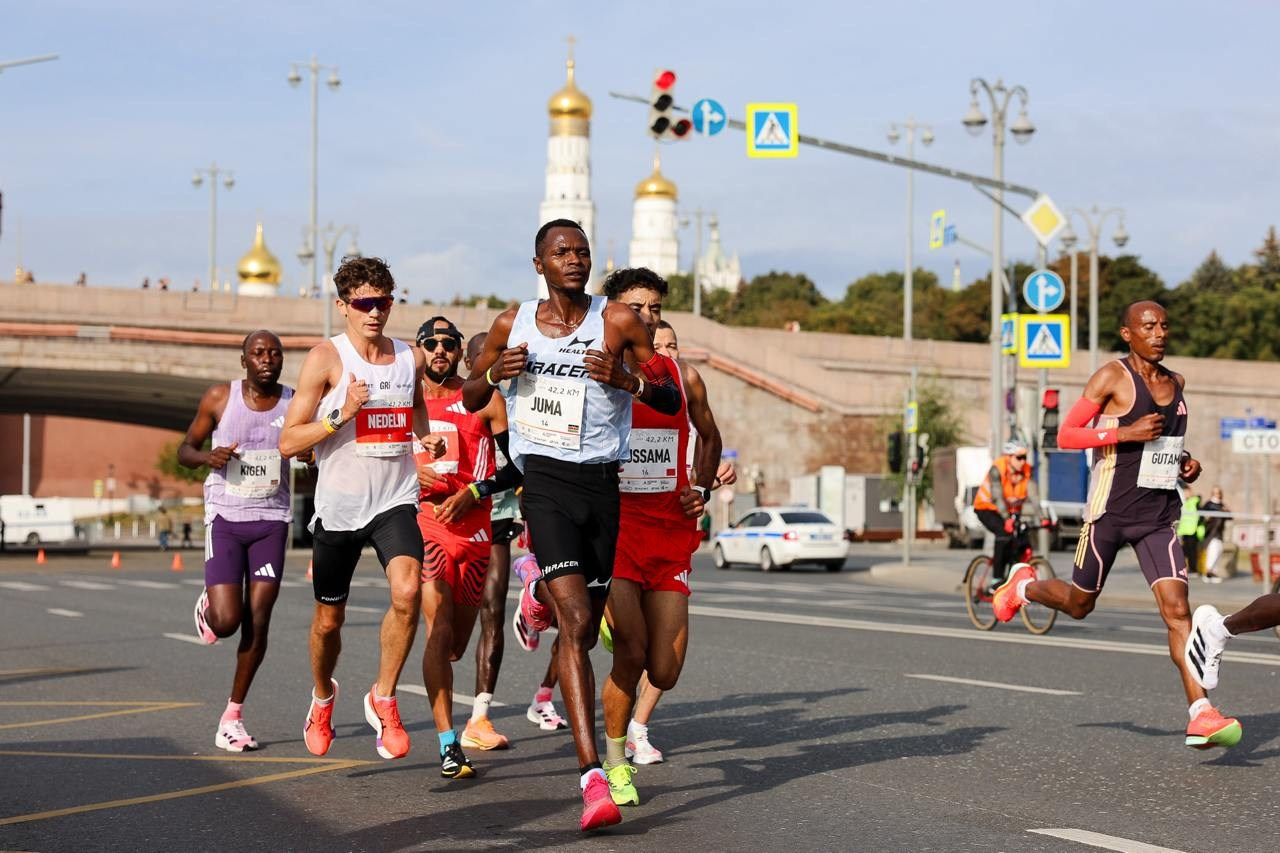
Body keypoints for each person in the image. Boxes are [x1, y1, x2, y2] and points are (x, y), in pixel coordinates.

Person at [462, 219, 682, 832]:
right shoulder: (513, 323)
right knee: (579, 622)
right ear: (539, 264)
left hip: (602, 487)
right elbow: (472, 396)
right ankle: (592, 777)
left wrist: (628, 381)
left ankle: (538, 594)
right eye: (561, 252)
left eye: (582, 251)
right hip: (546, 485)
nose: (575, 259)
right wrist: (495, 374)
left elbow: (668, 400)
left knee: (579, 638)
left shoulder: (618, 320)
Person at [992, 300, 1241, 749]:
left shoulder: (1176, 383)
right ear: (1128, 334)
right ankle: (1024, 586)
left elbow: (1164, 446)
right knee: (1079, 605)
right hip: (1108, 514)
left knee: (1178, 611)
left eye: (1164, 325)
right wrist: (1123, 432)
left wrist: (1185, 462)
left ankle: (1201, 713)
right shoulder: (1111, 377)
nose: (1159, 333)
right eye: (1148, 326)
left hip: (1157, 517)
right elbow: (1067, 435)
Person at [279, 256, 438, 761]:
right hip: (340, 507)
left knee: (408, 593)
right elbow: (288, 442)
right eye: (364, 303)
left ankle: (383, 697)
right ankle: (322, 697)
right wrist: (341, 415)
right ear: (343, 306)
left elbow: (414, 406)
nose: (374, 312)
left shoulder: (410, 357)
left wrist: (424, 437)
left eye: (383, 302)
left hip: (394, 499)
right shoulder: (326, 358)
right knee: (329, 622)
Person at [595, 290, 730, 797]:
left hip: (670, 535)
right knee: (631, 654)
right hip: (617, 531)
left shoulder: (682, 377)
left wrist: (701, 488)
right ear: (613, 312)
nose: (647, 316)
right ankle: (615, 763)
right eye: (637, 307)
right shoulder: (595, 370)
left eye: (655, 308)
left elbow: (710, 437)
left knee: (665, 671)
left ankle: (614, 621)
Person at [179, 330, 293, 752]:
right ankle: (210, 606)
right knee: (227, 622)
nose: (267, 359)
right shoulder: (219, 398)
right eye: (258, 353)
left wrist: (307, 454)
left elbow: (311, 446)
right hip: (226, 517)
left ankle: (233, 716)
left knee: (258, 619)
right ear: (244, 360)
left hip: (272, 520)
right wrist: (207, 457)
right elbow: (185, 449)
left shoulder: (294, 402)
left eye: (274, 353)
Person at [412, 316, 506, 779]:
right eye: (431, 343)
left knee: (454, 646)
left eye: (449, 343)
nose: (440, 350)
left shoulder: (484, 400)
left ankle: (454, 727)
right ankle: (448, 744)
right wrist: (409, 473)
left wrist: (476, 491)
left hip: (475, 531)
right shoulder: (404, 403)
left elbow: (518, 466)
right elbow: (371, 456)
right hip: (426, 524)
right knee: (437, 628)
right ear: (419, 349)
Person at [972, 439, 1034, 586]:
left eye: (1025, 457)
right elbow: (997, 497)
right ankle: (996, 579)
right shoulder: (997, 469)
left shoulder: (1026, 470)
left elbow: (1034, 496)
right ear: (1009, 457)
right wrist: (1006, 519)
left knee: (1021, 539)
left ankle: (1011, 578)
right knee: (1003, 533)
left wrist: (1043, 517)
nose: (1023, 461)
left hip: (1009, 511)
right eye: (1019, 457)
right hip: (986, 508)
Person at [1200, 486, 1229, 582]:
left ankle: (1213, 573)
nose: (1217, 495)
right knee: (1213, 550)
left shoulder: (1222, 505)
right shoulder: (1209, 504)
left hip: (1219, 532)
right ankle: (1208, 572)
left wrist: (1226, 511)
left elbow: (1229, 516)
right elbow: (1202, 515)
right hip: (1211, 532)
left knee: (1219, 550)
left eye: (1219, 493)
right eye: (1215, 493)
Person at [1177, 487, 1202, 577]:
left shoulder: (1195, 501)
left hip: (1192, 530)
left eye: (1187, 492)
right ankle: (1187, 568)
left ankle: (1193, 569)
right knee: (1184, 551)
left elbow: (1200, 515)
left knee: (1192, 552)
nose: (1186, 494)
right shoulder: (1184, 502)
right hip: (1184, 530)